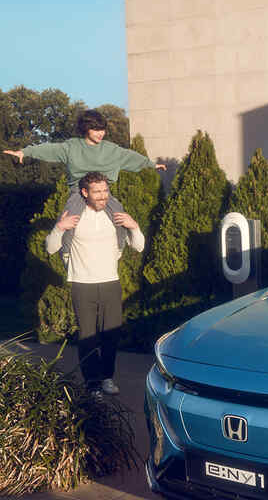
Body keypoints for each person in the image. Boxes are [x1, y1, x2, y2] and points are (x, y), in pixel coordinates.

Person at [3, 109, 164, 261]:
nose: (101, 133)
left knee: (118, 213)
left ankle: (119, 248)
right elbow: (49, 149)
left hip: (102, 192)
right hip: (78, 191)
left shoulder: (110, 149)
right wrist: (25, 152)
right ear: (86, 129)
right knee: (70, 218)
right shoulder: (72, 147)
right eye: (96, 130)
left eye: (102, 129)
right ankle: (66, 252)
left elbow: (130, 156)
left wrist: (150, 164)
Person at [46, 171, 145, 397]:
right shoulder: (74, 216)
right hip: (82, 284)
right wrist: (60, 227)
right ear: (84, 193)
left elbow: (138, 246)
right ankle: (92, 383)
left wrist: (134, 225)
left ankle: (107, 378)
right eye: (97, 192)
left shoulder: (115, 214)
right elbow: (51, 247)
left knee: (111, 334)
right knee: (88, 335)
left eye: (105, 191)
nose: (103, 196)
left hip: (110, 282)